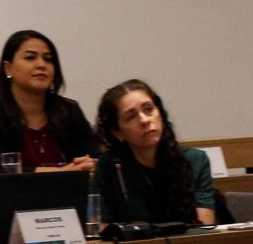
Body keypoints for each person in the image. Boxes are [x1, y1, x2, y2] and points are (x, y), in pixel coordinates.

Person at [92, 80, 218, 227]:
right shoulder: (111, 166)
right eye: (131, 117)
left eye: (149, 109)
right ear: (118, 132)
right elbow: (100, 226)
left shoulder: (194, 160)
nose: (144, 120)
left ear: (160, 114)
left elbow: (205, 226)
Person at [0, 30, 99, 173]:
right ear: (8, 68)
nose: (41, 64)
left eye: (48, 59)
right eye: (30, 58)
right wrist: (63, 173)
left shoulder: (69, 111)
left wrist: (90, 164)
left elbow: (93, 157)